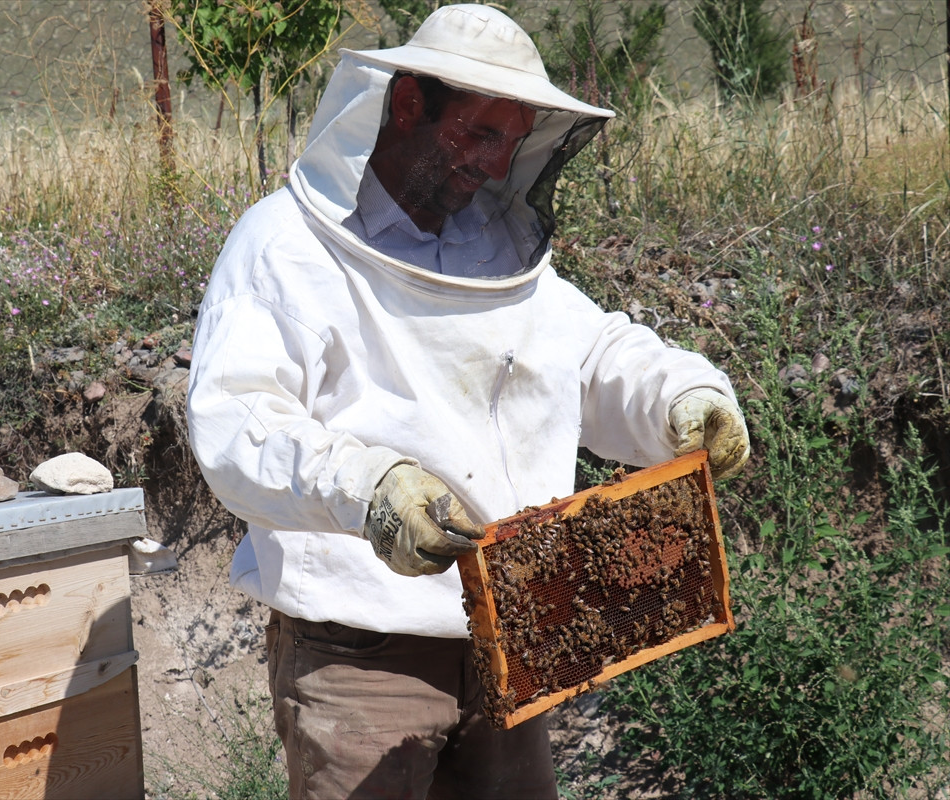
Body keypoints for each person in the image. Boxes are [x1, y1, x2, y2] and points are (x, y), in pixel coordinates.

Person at [186, 5, 750, 798]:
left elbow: (593, 354)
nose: (495, 167)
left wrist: (683, 395)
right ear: (410, 106)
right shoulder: (285, 248)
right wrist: (368, 489)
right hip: (363, 661)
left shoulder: (495, 254)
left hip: (511, 644)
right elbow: (237, 423)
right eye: (480, 135)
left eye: (512, 144)